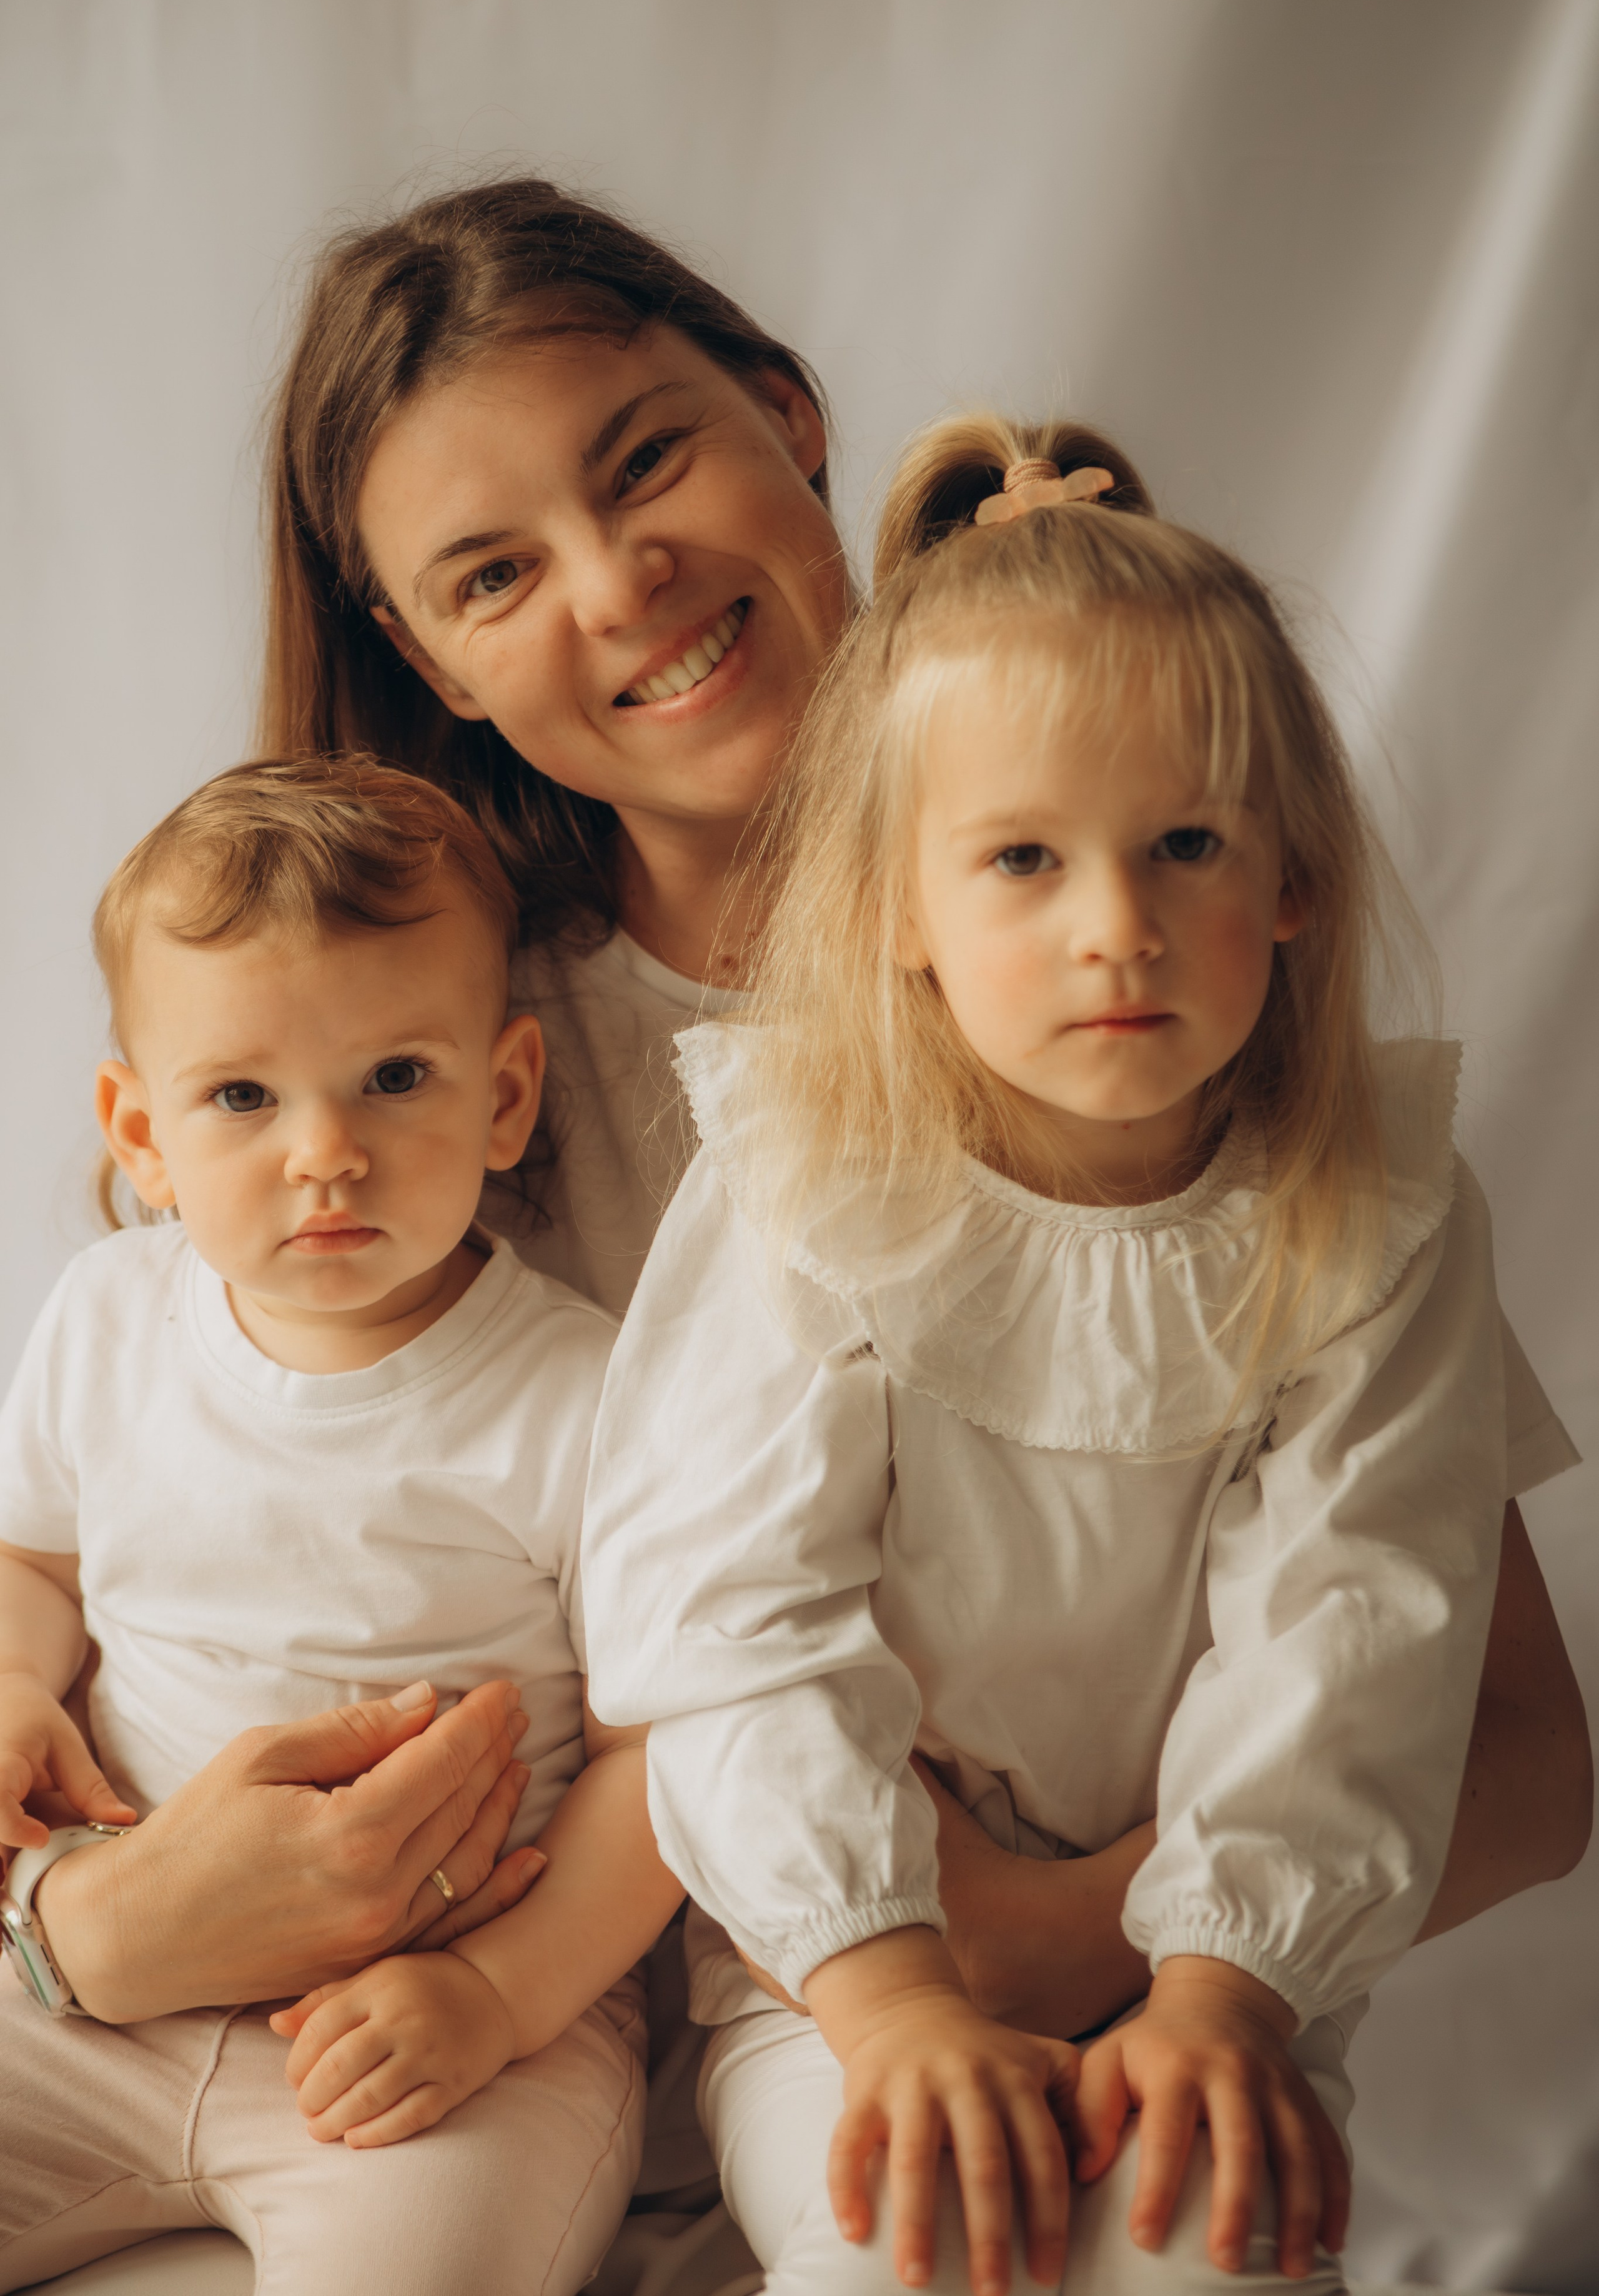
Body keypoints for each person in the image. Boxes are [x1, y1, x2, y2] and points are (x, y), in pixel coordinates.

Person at [19, 174, 1583, 2177]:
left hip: (1071, 2072)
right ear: (425, 656)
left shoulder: (1145, 1000)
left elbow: (1522, 1757)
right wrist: (86, 1925)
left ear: (790, 412)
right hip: (492, 2120)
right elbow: (125, 1585)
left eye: (649, 457)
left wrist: (1049, 1939)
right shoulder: (402, 1085)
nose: (618, 585)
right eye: (493, 577)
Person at [577, 418, 1586, 2296]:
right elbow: (727, 1628)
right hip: (843, 1967)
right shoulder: (812, 1186)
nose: (1115, 931)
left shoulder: (1373, 1213)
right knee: (923, 2260)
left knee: (1208, 2264)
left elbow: (1358, 1633)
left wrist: (1223, 1991)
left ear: (1289, 876)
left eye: (1184, 845)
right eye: (1023, 860)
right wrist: (892, 2008)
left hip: (1232, 1965)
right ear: (902, 913)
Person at [0, 757, 681, 2293]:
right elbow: (36, 1560)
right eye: (242, 1096)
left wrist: (502, 2001)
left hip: (454, 2031)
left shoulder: (579, 1392)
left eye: (394, 1078)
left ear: (505, 1094)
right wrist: (16, 1685)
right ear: (141, 1132)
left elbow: (664, 1754)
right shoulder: (110, 1320)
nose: (325, 1152)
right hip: (109, 1981)